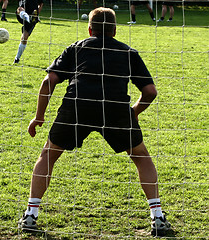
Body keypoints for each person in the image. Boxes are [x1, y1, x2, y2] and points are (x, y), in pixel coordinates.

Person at [18, 7, 171, 237]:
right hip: (115, 108)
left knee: (48, 155)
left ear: (90, 29)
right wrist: (134, 113)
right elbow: (150, 91)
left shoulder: (77, 48)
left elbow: (48, 81)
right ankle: (158, 217)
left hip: (77, 105)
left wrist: (38, 117)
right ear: (115, 31)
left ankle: (31, 215)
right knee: (142, 158)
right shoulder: (128, 52)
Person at [13, 0, 44, 64]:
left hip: (33, 17)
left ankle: (17, 58)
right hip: (22, 14)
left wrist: (37, 15)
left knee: (24, 38)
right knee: (20, 9)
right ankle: (28, 18)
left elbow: (41, 4)